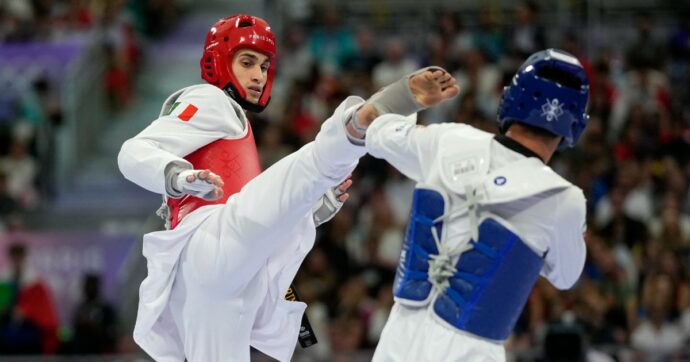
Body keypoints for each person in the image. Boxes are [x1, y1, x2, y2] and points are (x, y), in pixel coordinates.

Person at [117, 14, 458, 362]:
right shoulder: (210, 100)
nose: (258, 75)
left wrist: (309, 212)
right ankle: (360, 123)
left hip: (220, 282)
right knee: (311, 166)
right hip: (210, 240)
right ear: (218, 60)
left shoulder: (236, 127)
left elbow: (262, 216)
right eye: (247, 62)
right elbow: (132, 153)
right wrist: (177, 176)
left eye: (264, 67)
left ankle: (354, 132)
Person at [352, 49, 590, 361]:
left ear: (510, 99)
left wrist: (408, 93)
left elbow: (372, 125)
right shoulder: (563, 199)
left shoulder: (446, 140)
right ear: (573, 126)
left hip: (397, 345)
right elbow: (565, 276)